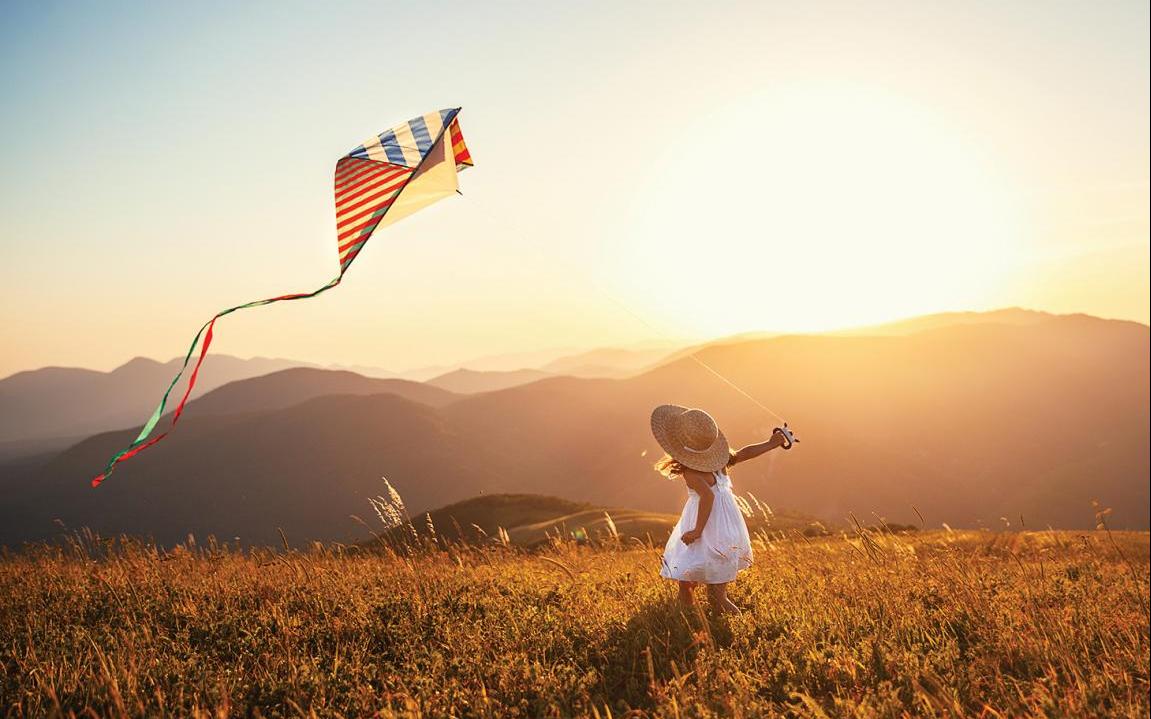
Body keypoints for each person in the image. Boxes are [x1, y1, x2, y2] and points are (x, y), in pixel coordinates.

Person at [651, 404, 792, 614]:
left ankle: (691, 618)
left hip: (706, 528)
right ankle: (695, 618)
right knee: (710, 593)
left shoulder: (692, 473)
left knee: (692, 587)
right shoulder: (720, 463)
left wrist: (697, 531)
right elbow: (744, 453)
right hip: (726, 530)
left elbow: (707, 497)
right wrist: (772, 443)